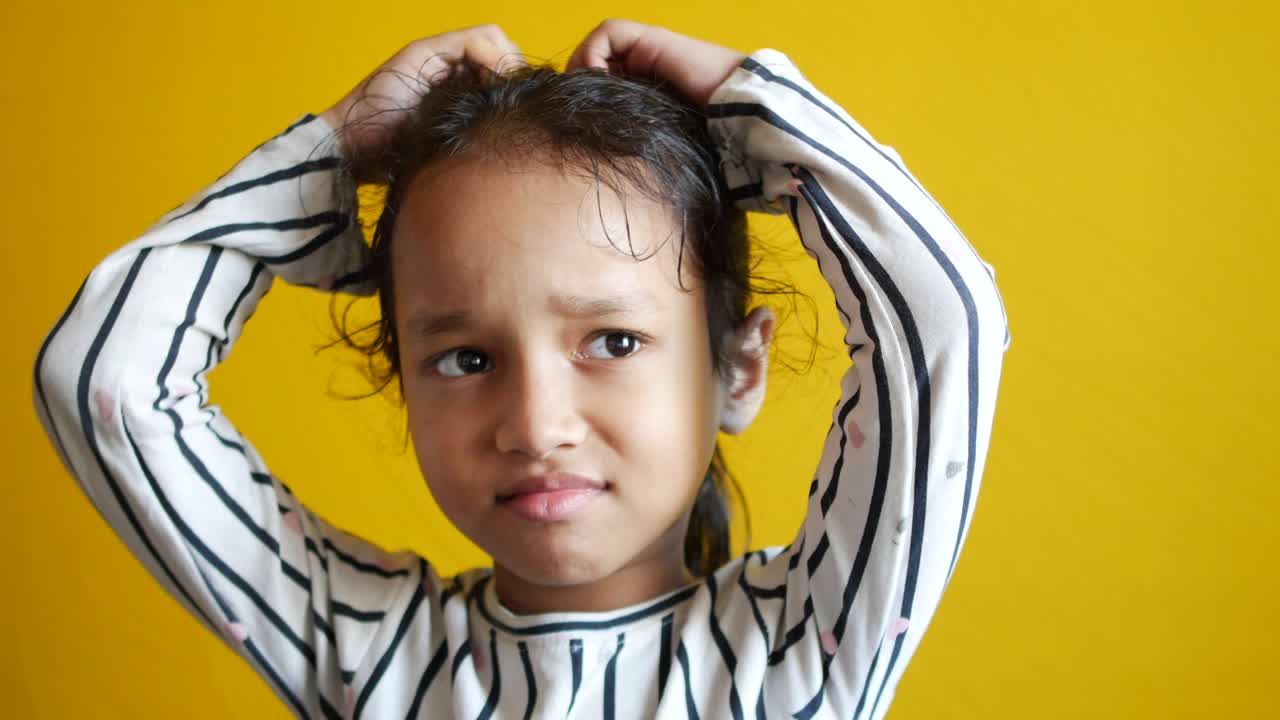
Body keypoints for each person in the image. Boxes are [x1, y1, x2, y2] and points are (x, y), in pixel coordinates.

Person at [32, 18, 1010, 719]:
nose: (536, 427)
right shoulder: (370, 653)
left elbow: (945, 317)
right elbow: (104, 380)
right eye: (465, 357)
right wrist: (331, 149)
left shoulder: (799, 655)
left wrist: (749, 113)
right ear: (402, 381)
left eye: (612, 342)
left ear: (737, 370)